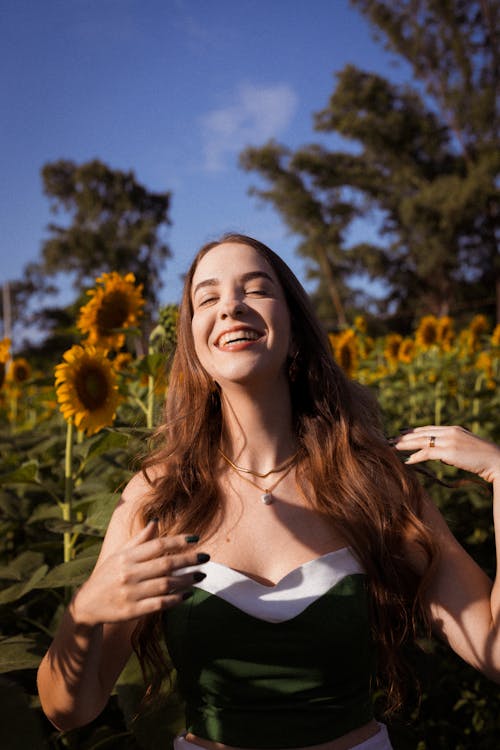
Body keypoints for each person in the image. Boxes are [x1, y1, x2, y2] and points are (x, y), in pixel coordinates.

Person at [37, 234, 500, 750]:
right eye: (208, 298)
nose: (231, 306)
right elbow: (68, 711)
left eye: (255, 290)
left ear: (294, 328)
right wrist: (85, 612)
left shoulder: (371, 483)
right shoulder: (159, 496)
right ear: (193, 342)